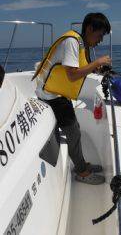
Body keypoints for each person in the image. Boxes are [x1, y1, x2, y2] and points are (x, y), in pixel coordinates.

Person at [33, 12, 111, 184]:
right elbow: (72, 75)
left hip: (58, 93)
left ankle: (81, 164)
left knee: (74, 128)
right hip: (51, 95)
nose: (100, 40)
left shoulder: (81, 43)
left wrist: (97, 69)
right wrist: (97, 63)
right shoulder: (72, 42)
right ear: (90, 29)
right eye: (100, 35)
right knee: (74, 131)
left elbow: (80, 68)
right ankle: (81, 172)